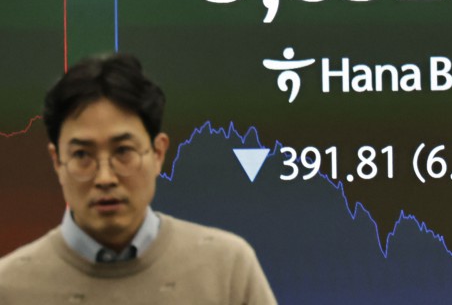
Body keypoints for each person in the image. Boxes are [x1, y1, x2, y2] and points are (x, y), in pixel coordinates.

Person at [0, 53, 277, 304]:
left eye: (123, 151)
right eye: (82, 155)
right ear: (57, 162)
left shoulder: (227, 269)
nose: (105, 178)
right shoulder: (9, 287)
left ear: (158, 153)